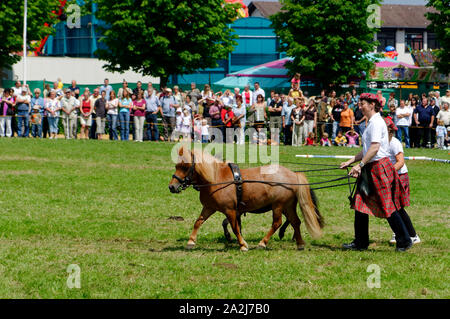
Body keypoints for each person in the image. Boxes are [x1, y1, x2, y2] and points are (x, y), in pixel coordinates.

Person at [340, 93, 412, 252]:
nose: (360, 106)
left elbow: (374, 148)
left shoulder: (376, 122)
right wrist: (351, 161)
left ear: (372, 105)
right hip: (371, 166)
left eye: (363, 103)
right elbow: (366, 149)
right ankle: (360, 242)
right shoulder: (371, 122)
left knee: (387, 206)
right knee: (359, 203)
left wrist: (360, 165)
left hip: (378, 167)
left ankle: (405, 240)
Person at [384, 117, 420, 245]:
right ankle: (400, 232)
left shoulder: (394, 143)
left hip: (399, 176)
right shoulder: (382, 142)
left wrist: (387, 172)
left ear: (390, 131)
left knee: (397, 207)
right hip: (389, 177)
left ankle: (413, 235)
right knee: (393, 207)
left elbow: (400, 162)